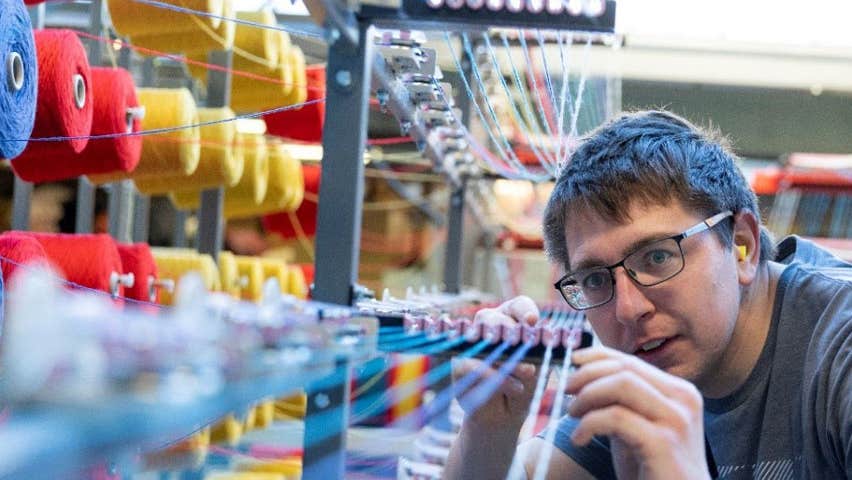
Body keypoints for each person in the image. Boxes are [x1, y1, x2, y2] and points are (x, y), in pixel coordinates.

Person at [443, 110, 852, 479]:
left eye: (657, 256)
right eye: (596, 279)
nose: (628, 308)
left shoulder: (839, 349)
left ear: (742, 246)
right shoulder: (649, 378)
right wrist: (488, 428)